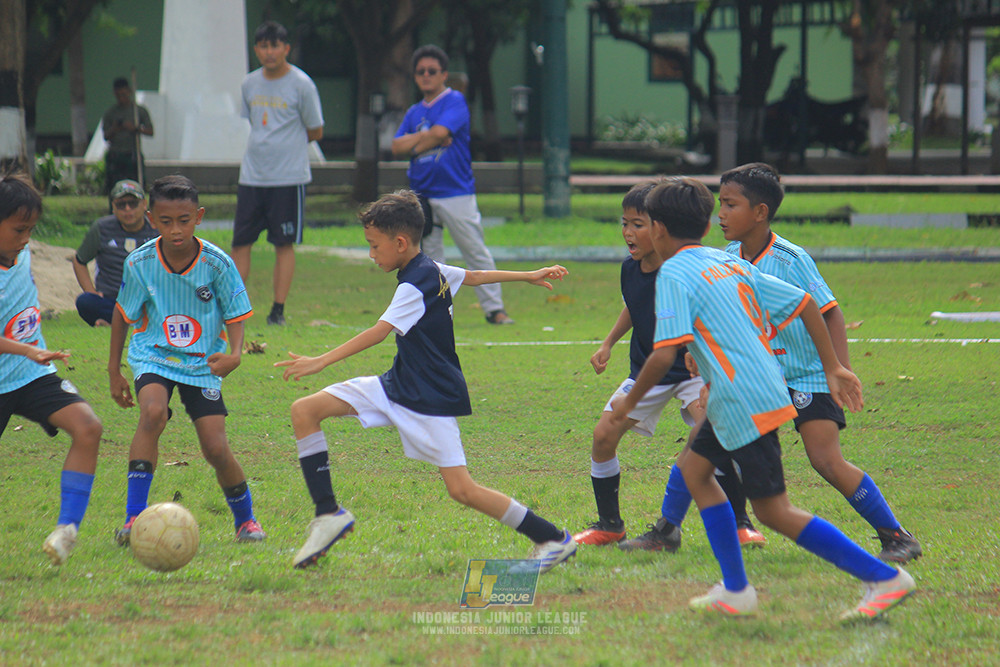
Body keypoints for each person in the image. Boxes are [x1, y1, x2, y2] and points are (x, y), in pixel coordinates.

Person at [610, 177, 914, 621]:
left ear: (657, 228)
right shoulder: (724, 260)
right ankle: (736, 590)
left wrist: (628, 405)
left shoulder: (674, 271)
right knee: (695, 471)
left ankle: (884, 577)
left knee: (774, 511)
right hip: (753, 390)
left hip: (742, 398)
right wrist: (833, 366)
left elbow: (661, 356)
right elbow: (805, 304)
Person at [275, 190, 576, 572]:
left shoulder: (413, 285)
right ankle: (327, 513)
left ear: (400, 243)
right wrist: (527, 275)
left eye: (374, 246)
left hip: (427, 398)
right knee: (305, 410)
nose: (371, 254)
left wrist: (321, 360)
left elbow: (379, 332)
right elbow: (476, 275)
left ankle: (552, 538)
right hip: (396, 385)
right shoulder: (432, 268)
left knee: (462, 490)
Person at [717, 162, 921, 563]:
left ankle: (896, 535)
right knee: (727, 446)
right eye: (719, 204)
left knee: (825, 459)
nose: (720, 214)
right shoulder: (726, 257)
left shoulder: (791, 259)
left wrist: (837, 370)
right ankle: (737, 525)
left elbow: (829, 312)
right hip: (762, 377)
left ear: (760, 212)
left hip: (808, 372)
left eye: (729, 204)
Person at [573, 179, 765, 550]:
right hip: (650, 372)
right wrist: (609, 342)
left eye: (638, 224)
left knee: (714, 440)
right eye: (624, 223)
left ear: (661, 227)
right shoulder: (631, 269)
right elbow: (635, 303)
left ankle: (740, 523)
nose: (628, 232)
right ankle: (610, 525)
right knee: (603, 436)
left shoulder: (685, 270)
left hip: (695, 372)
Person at [108, 175, 265, 545]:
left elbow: (236, 313)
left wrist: (236, 354)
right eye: (165, 222)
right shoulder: (140, 263)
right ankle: (133, 520)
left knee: (214, 447)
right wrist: (113, 370)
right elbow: (121, 315)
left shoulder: (217, 264)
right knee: (152, 413)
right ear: (151, 219)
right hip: (153, 355)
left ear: (199, 216)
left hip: (201, 364)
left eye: (184, 220)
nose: (175, 230)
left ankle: (246, 521)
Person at [0, 170, 103, 565]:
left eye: (30, 229)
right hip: (24, 364)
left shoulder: (21, 251)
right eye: (18, 229)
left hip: (31, 375)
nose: (26, 238)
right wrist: (28, 350)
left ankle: (67, 531)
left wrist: (31, 354)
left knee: (88, 427)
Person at [391, 45, 513, 325]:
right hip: (421, 193)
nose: (426, 76)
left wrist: (423, 140)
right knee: (430, 257)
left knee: (474, 250)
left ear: (444, 74)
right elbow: (397, 146)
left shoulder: (455, 101)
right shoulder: (414, 111)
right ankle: (436, 310)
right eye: (420, 71)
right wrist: (427, 137)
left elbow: (442, 133)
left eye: (432, 71)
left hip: (456, 191)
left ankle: (495, 310)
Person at [232, 20, 324, 326]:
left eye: (275, 45)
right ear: (256, 49)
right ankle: (233, 308)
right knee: (240, 243)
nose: (269, 52)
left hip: (288, 178)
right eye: (263, 46)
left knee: (283, 243)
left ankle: (277, 310)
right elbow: (253, 122)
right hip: (252, 176)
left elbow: (316, 130)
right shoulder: (249, 83)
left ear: (286, 48)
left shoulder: (302, 84)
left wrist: (287, 145)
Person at [72, 179, 159, 327]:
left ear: (144, 204)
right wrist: (91, 291)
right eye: (121, 204)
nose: (127, 209)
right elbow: (79, 261)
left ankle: (116, 322)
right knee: (85, 301)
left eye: (133, 203)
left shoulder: (157, 229)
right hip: (111, 300)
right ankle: (130, 321)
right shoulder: (101, 228)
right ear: (113, 207)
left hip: (146, 299)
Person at [102, 77, 153, 195]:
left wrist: (135, 128)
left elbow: (150, 132)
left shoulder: (138, 111)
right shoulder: (111, 113)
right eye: (118, 95)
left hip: (133, 154)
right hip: (116, 154)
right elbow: (106, 136)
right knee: (114, 188)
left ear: (129, 92)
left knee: (137, 187)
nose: (122, 98)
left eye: (124, 94)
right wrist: (115, 128)